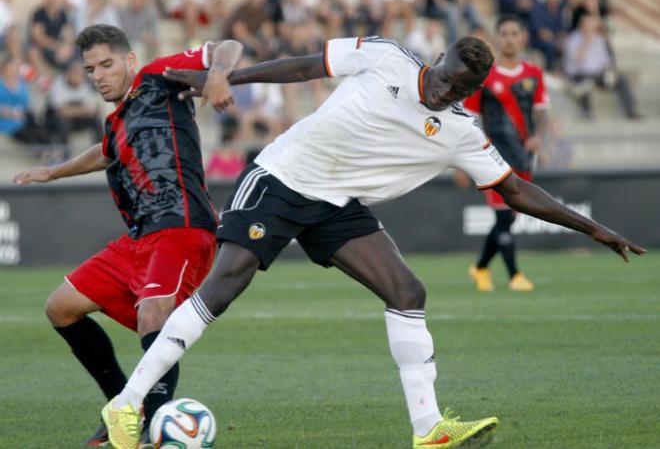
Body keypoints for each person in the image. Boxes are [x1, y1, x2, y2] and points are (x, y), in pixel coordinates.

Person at [103, 35, 645, 449]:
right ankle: (126, 406)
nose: (443, 91)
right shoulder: (386, 56)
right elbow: (309, 65)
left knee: (407, 291)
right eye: (444, 77)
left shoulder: (460, 129)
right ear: (437, 59)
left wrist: (594, 229)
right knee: (223, 287)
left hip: (337, 203)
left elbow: (514, 189)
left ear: (471, 92)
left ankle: (430, 428)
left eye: (458, 90)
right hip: (284, 178)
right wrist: (231, 78)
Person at [12, 24, 244, 447]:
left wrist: (218, 73)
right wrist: (53, 171)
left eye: (107, 64)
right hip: (138, 239)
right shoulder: (116, 119)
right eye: (90, 69)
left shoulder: (158, 79)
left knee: (152, 315)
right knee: (61, 308)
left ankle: (154, 428)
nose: (99, 74)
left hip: (182, 227)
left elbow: (226, 46)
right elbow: (104, 152)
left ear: (129, 61)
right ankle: (121, 409)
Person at [462, 14, 550, 292]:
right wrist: (466, 158)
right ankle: (515, 276)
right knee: (503, 216)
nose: (509, 38)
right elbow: (470, 117)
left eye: (514, 33)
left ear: (523, 37)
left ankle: (480, 267)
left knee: (509, 218)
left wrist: (538, 137)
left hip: (523, 157)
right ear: (496, 38)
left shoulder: (533, 74)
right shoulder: (485, 76)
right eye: (504, 33)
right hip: (493, 158)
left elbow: (542, 112)